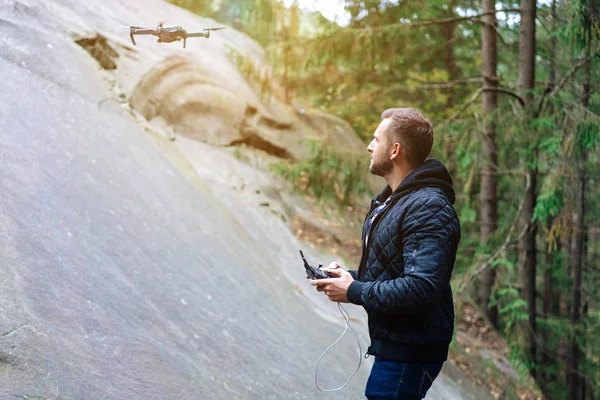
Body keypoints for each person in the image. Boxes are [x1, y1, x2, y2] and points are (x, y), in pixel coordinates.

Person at [311, 107, 461, 400]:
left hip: (411, 351)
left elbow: (421, 287)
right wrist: (348, 278)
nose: (369, 145)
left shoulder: (428, 206)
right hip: (398, 344)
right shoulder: (396, 200)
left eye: (376, 139)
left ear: (394, 150)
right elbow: (395, 271)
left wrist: (354, 291)